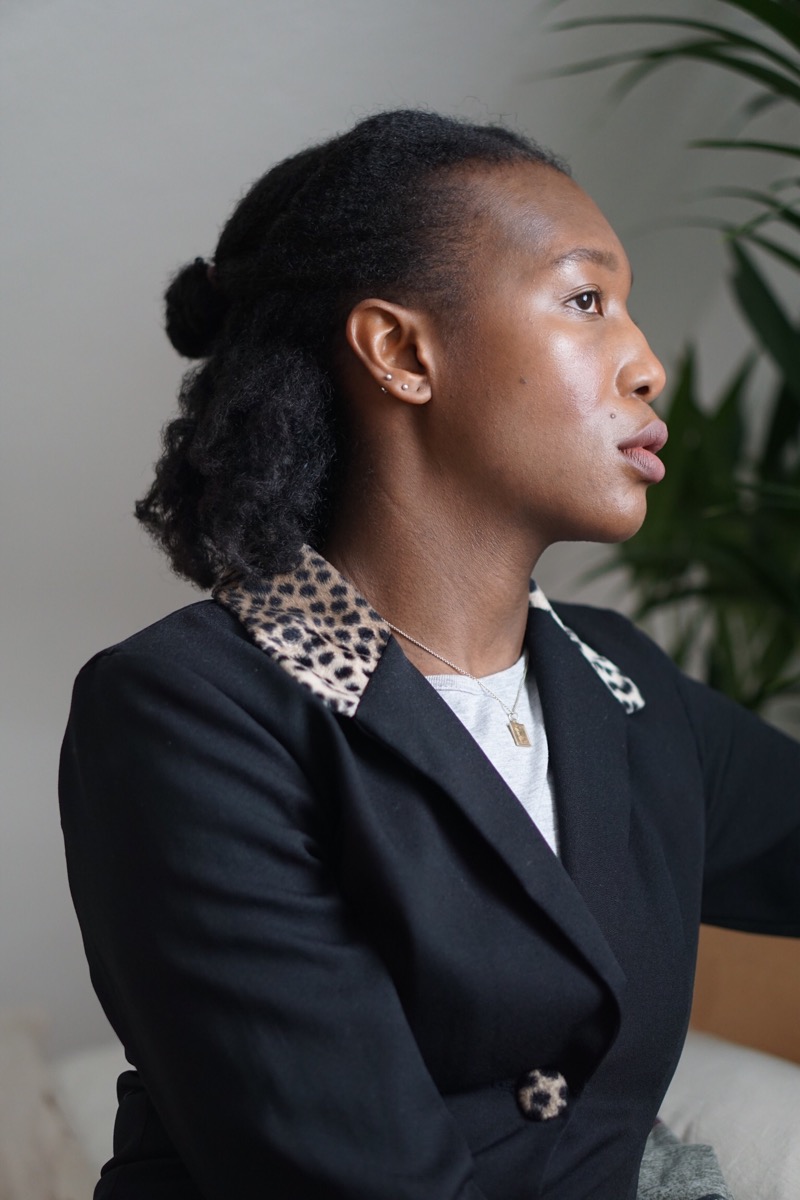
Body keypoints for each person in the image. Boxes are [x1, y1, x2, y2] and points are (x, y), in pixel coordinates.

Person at [59, 109, 800, 1200]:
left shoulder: (619, 682)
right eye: (585, 301)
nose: (645, 365)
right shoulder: (187, 713)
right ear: (402, 352)